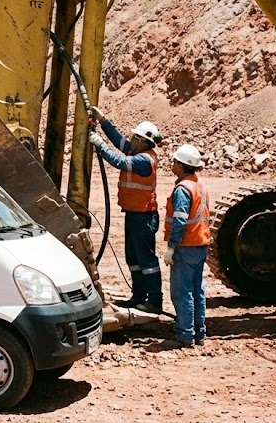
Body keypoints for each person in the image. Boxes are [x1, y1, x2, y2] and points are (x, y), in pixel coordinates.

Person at [88, 107, 164, 314]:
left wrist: (100, 144)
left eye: (134, 137)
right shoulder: (137, 151)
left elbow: (119, 161)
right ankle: (138, 297)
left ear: (143, 141)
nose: (130, 140)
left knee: (146, 260)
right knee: (133, 258)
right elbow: (119, 141)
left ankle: (154, 301)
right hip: (133, 214)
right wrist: (102, 120)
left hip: (144, 217)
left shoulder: (144, 160)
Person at [162, 144, 211, 348]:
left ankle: (185, 335)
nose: (172, 164)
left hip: (186, 246)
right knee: (197, 290)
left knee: (182, 292)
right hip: (200, 244)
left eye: (175, 162)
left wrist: (171, 247)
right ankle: (199, 333)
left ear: (182, 165)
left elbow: (180, 221)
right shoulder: (199, 184)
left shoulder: (183, 189)